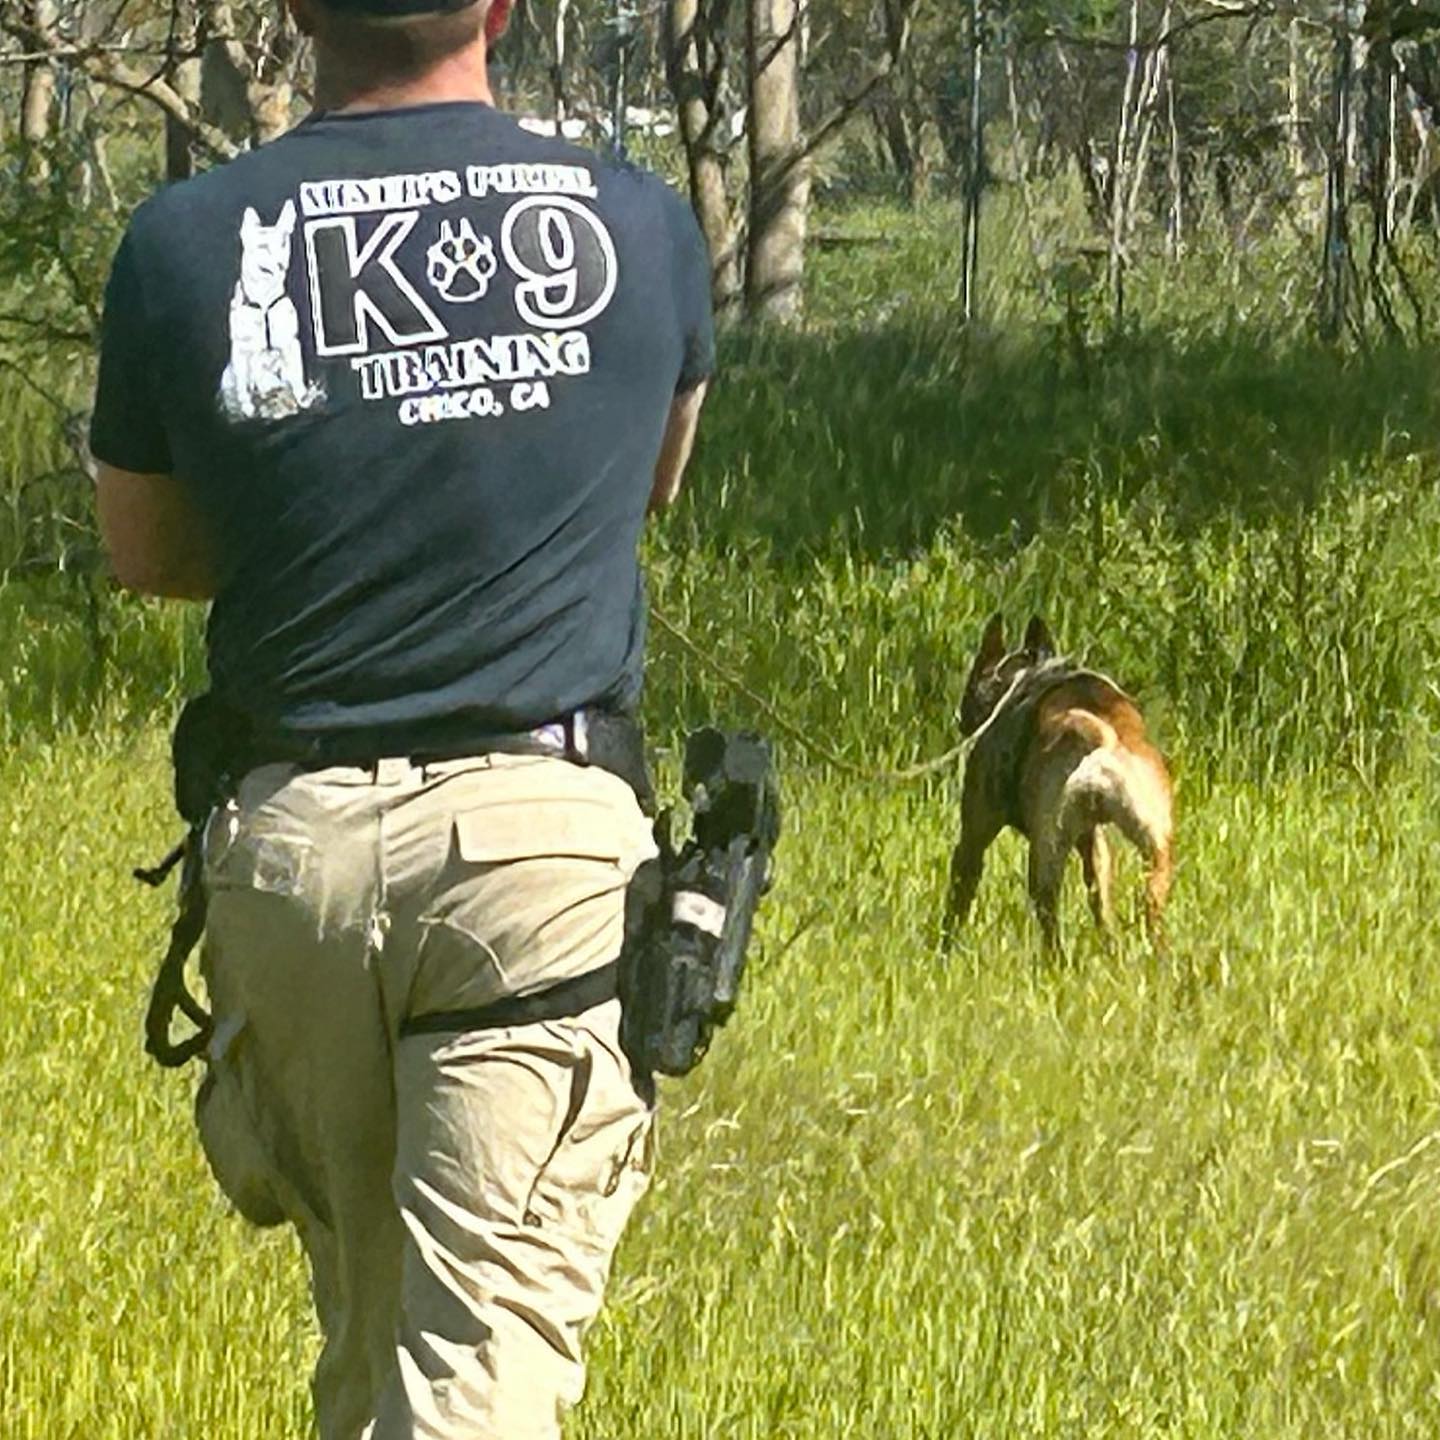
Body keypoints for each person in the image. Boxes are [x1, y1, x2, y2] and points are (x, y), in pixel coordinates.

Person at [89, 0, 714, 1432]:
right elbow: (656, 480)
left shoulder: (185, 243)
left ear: (300, 11)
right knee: (472, 1382)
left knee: (376, 1352)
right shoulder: (638, 221)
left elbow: (148, 553)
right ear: (500, 7)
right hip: (537, 852)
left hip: (294, 855)